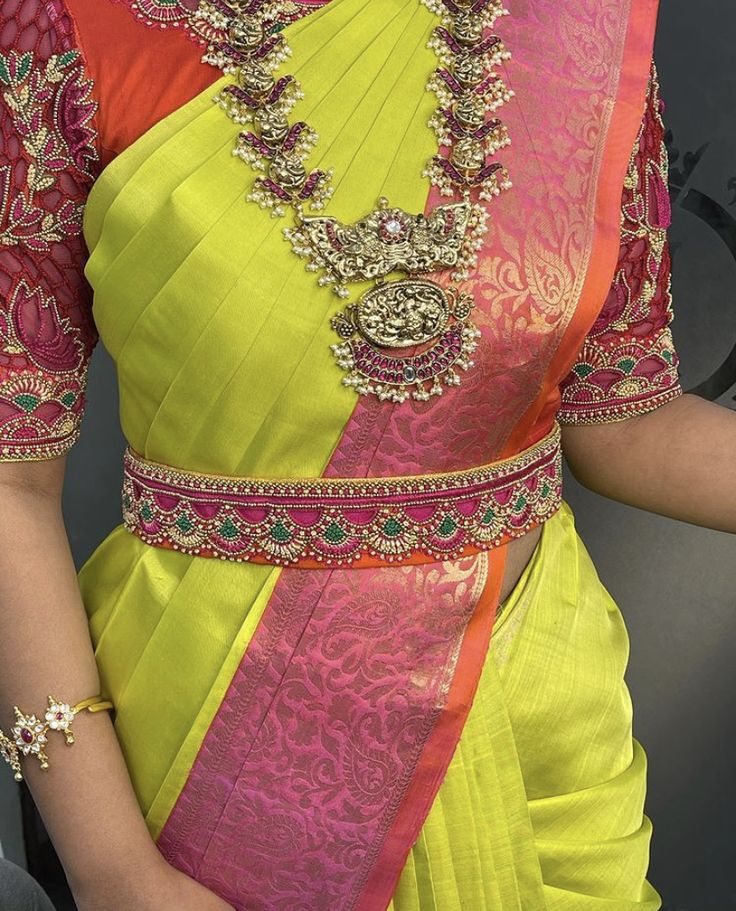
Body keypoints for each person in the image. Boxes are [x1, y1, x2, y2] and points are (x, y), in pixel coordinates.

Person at [0, 0, 734, 909]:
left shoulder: (577, 30)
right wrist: (114, 870)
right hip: (225, 731)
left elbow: (624, 422)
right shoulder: (70, 31)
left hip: (537, 716)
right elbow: (9, 489)